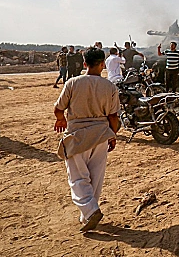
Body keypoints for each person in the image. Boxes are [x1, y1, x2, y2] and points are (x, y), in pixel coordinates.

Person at [53, 47, 120, 233]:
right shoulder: (110, 87)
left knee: (78, 178)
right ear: (102, 64)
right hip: (100, 136)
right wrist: (112, 135)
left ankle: (90, 212)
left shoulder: (73, 83)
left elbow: (58, 108)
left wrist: (61, 119)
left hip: (77, 136)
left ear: (84, 64)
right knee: (95, 179)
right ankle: (87, 215)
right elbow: (113, 116)